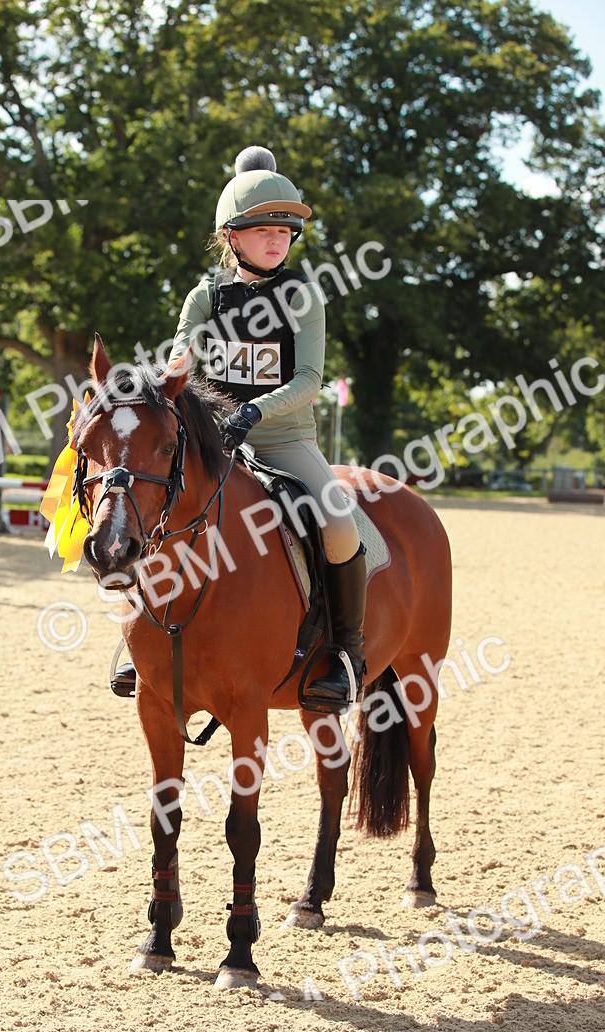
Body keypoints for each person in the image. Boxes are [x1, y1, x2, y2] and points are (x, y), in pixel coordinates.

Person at [115, 146, 366, 708]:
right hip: (211, 441)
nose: (277, 241)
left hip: (283, 438)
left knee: (339, 526)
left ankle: (346, 652)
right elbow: (181, 359)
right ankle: (136, 640)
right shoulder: (206, 296)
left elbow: (309, 379)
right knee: (154, 509)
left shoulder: (302, 296)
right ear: (232, 236)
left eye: (284, 231)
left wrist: (253, 412)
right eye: (262, 230)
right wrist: (160, 388)